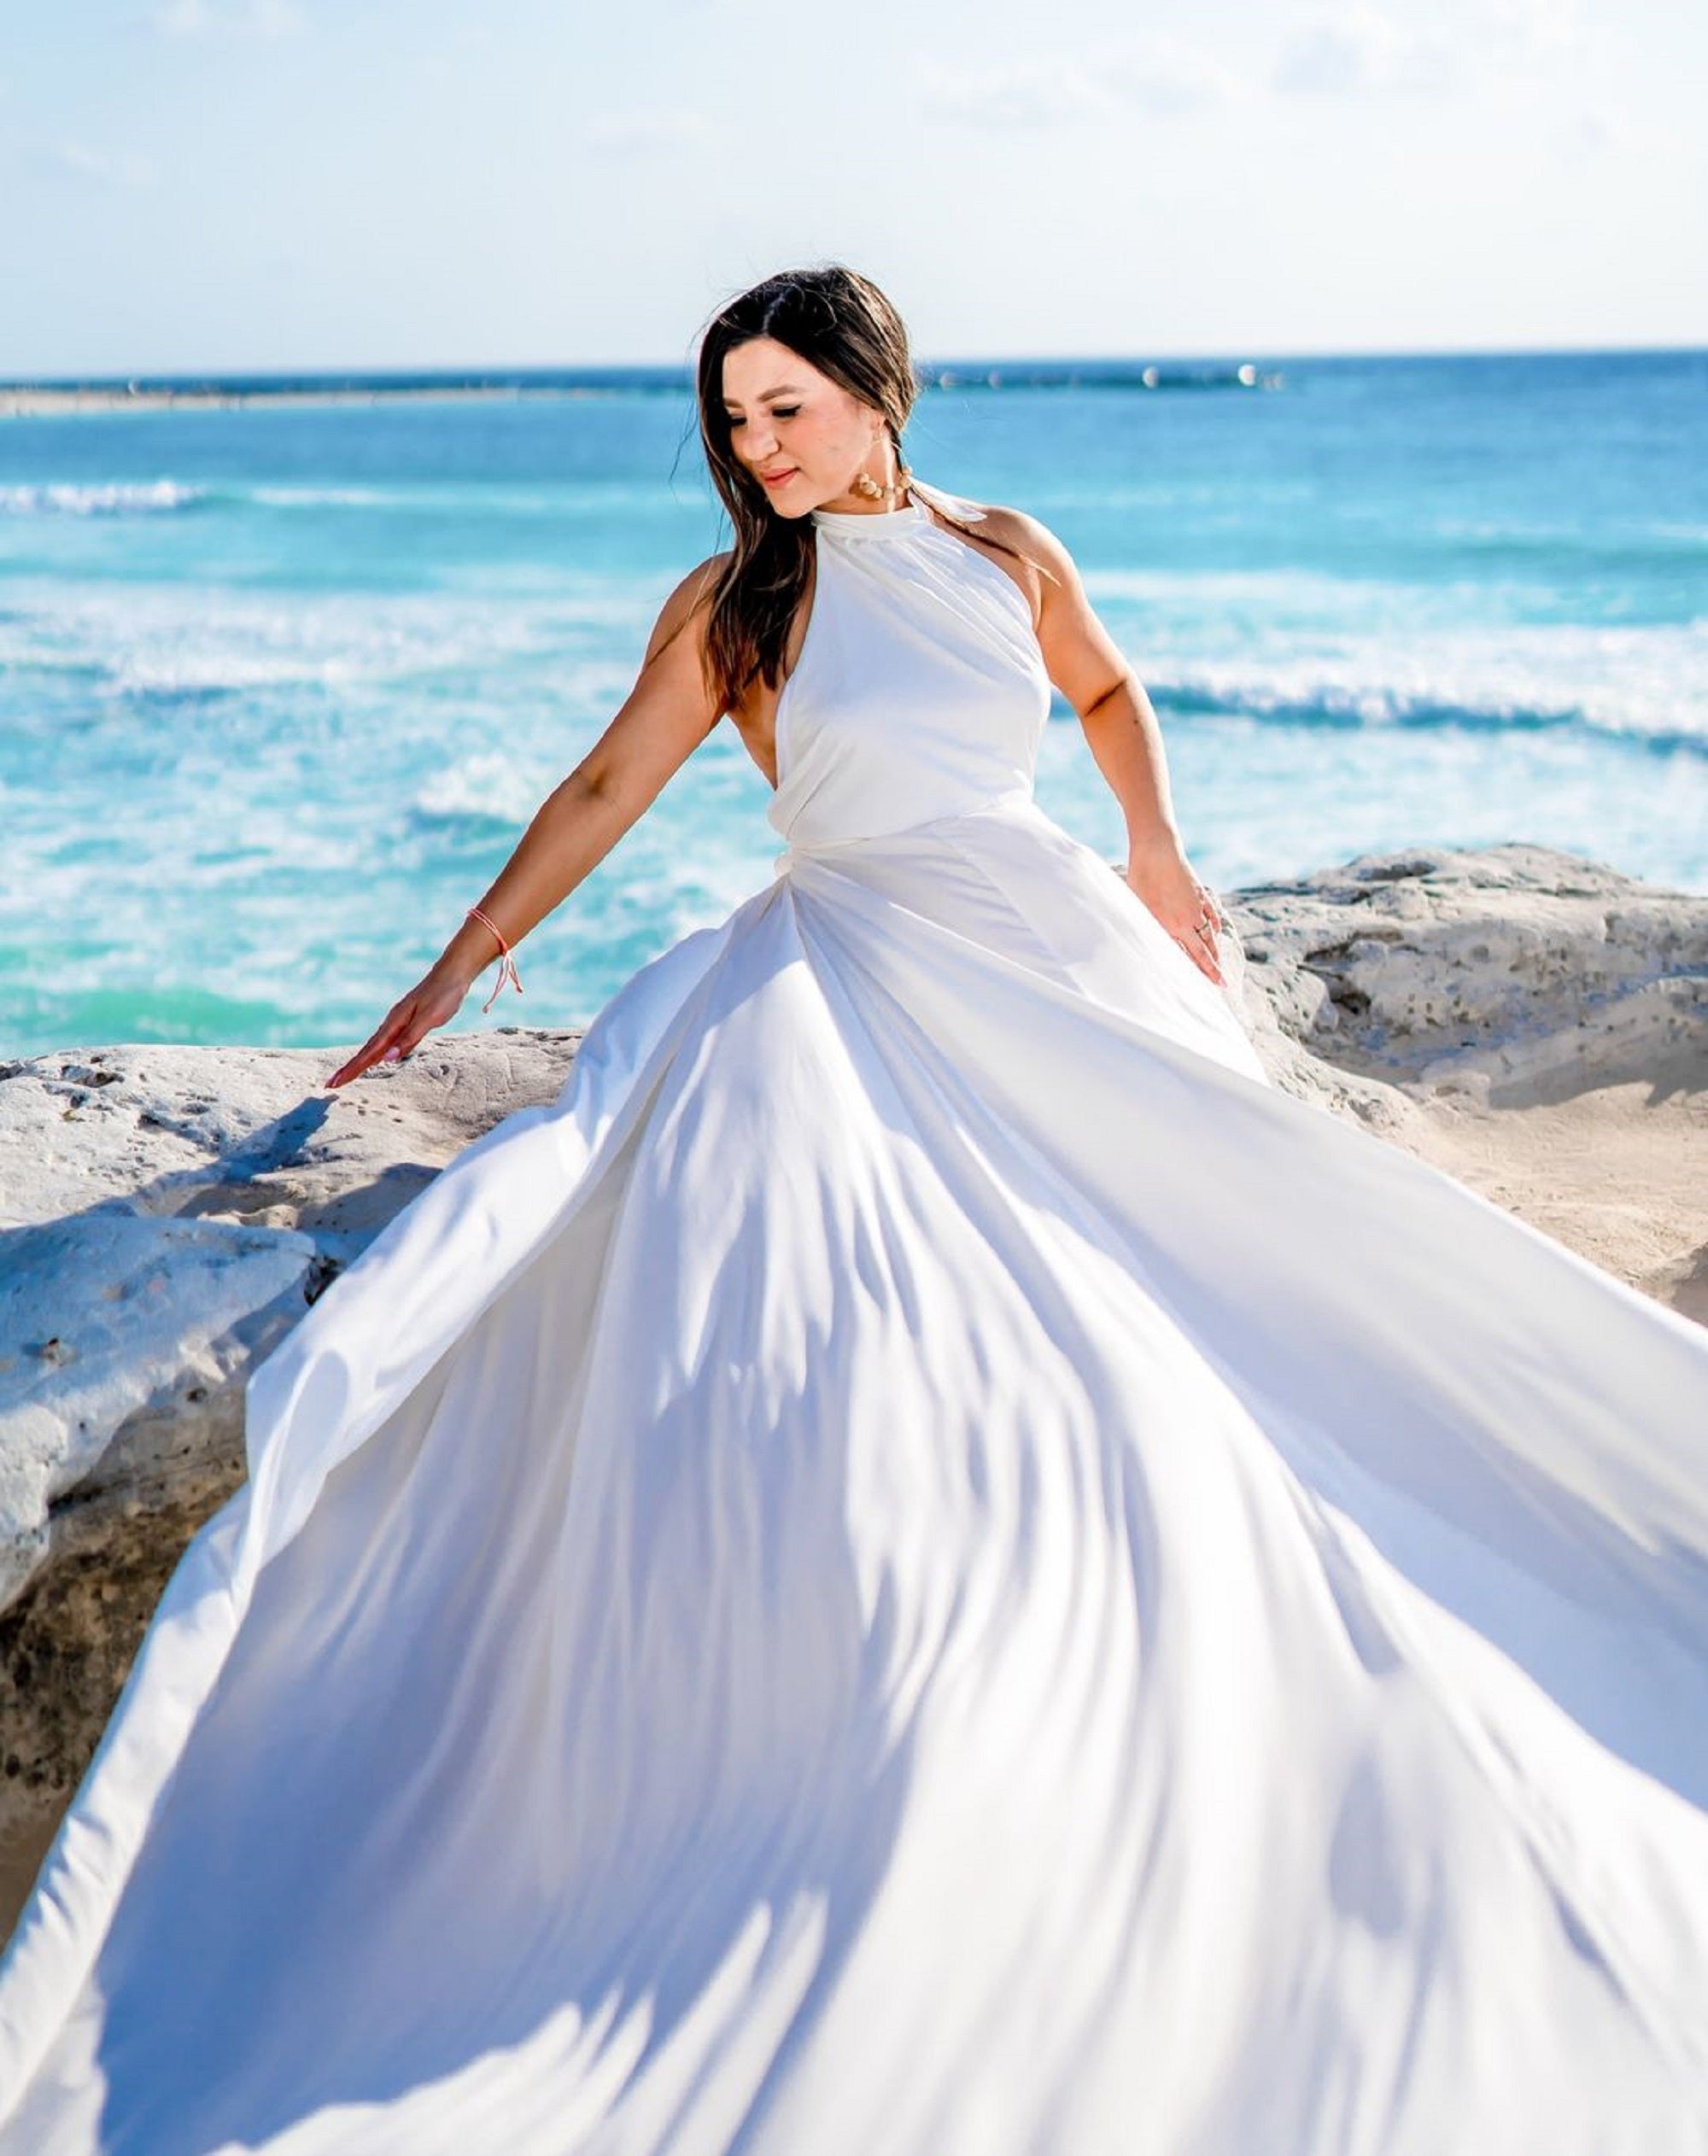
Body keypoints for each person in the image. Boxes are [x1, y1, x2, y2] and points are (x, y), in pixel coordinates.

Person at [1, 264, 1705, 2153]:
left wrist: (1156, 847)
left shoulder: (1004, 546)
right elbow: (605, 783)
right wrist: (463, 958)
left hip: (1049, 934)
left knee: (1256, 1256)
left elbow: (1109, 687)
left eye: (783, 407)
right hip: (851, 955)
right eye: (733, 419)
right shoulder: (745, 602)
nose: (756, 445)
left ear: (877, 390)